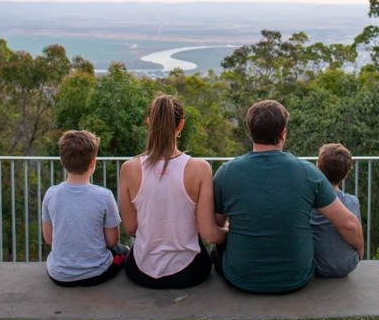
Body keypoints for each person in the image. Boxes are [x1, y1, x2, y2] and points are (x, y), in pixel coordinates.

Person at [212, 100, 365, 294]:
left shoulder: (226, 173)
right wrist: (360, 251)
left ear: (250, 132)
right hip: (296, 277)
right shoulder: (309, 173)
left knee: (216, 252)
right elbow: (348, 224)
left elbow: (217, 224)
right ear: (283, 133)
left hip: (241, 278)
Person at [119, 94, 227, 289]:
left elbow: (130, 228)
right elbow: (208, 233)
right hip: (188, 272)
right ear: (181, 125)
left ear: (149, 122)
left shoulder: (129, 169)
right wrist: (232, 233)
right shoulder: (200, 169)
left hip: (141, 272)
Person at [41, 130, 128, 287]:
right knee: (124, 251)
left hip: (59, 275)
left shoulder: (51, 194)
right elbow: (112, 242)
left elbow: (48, 239)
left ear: (62, 161)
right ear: (92, 163)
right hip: (96, 274)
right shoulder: (104, 196)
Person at [310, 143, 362, 277]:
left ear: (318, 168)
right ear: (346, 173)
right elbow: (355, 229)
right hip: (347, 265)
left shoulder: (309, 202)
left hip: (315, 266)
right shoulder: (352, 202)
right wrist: (361, 250)